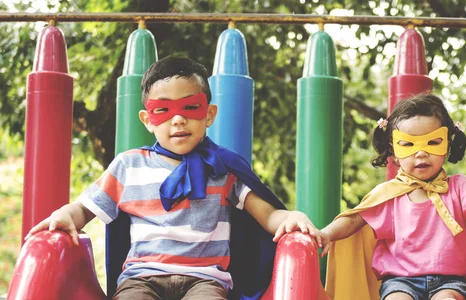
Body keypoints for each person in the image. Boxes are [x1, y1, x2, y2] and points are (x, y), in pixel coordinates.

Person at [25, 56, 323, 300]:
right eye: (163, 110)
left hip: (205, 281)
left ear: (209, 114)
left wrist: (289, 217)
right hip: (141, 278)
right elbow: (85, 208)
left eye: (190, 107)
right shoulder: (128, 166)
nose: (177, 119)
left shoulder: (223, 168)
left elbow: (268, 214)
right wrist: (65, 215)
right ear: (147, 120)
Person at [319, 94, 466, 300]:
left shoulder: (458, 187)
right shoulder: (387, 195)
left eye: (433, 142)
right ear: (393, 151)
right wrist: (326, 234)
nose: (421, 153)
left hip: (450, 282)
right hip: (399, 281)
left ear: (447, 146)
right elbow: (353, 220)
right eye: (408, 144)